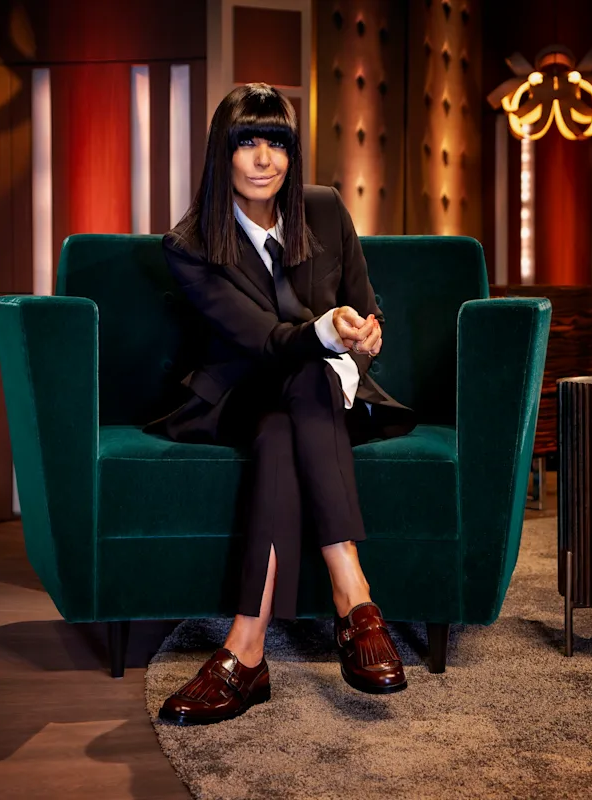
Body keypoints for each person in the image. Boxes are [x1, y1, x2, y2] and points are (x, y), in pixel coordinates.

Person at [146, 83, 417, 726]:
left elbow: (365, 302)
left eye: (278, 144)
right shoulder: (188, 245)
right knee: (288, 384)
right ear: (223, 153)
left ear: (293, 156)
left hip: (326, 395)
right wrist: (329, 332)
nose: (264, 158)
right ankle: (353, 594)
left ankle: (245, 650)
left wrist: (366, 335)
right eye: (248, 143)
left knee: (289, 416)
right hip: (240, 393)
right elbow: (265, 342)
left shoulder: (323, 211)